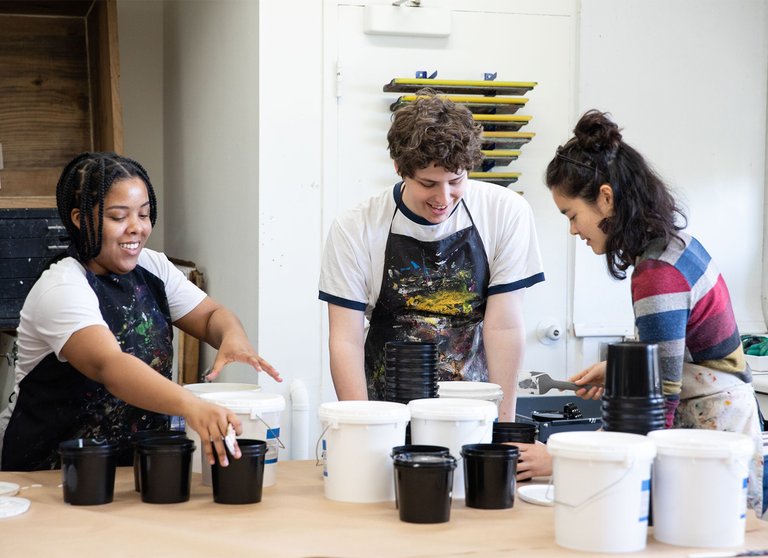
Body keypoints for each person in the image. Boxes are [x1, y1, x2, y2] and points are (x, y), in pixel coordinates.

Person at [514, 109, 765, 516]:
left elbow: (656, 408)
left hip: (708, 438)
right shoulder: (675, 246)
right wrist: (621, 369)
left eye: (572, 215)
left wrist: (562, 459)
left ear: (606, 198)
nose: (573, 230)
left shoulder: (658, 275)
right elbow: (676, 354)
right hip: (718, 424)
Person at [0, 152, 281, 471]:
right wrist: (191, 405)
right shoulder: (62, 286)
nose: (136, 228)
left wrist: (233, 336)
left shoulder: (153, 267)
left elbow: (210, 316)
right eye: (119, 217)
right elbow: (110, 366)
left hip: (132, 467)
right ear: (80, 219)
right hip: (51, 472)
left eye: (144, 214)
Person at [318, 90, 545, 421]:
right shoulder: (356, 227)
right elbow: (346, 340)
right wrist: (363, 425)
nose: (443, 198)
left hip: (473, 412)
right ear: (399, 168)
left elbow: (504, 327)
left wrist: (502, 425)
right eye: (428, 184)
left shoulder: (505, 212)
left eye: (456, 181)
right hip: (386, 410)